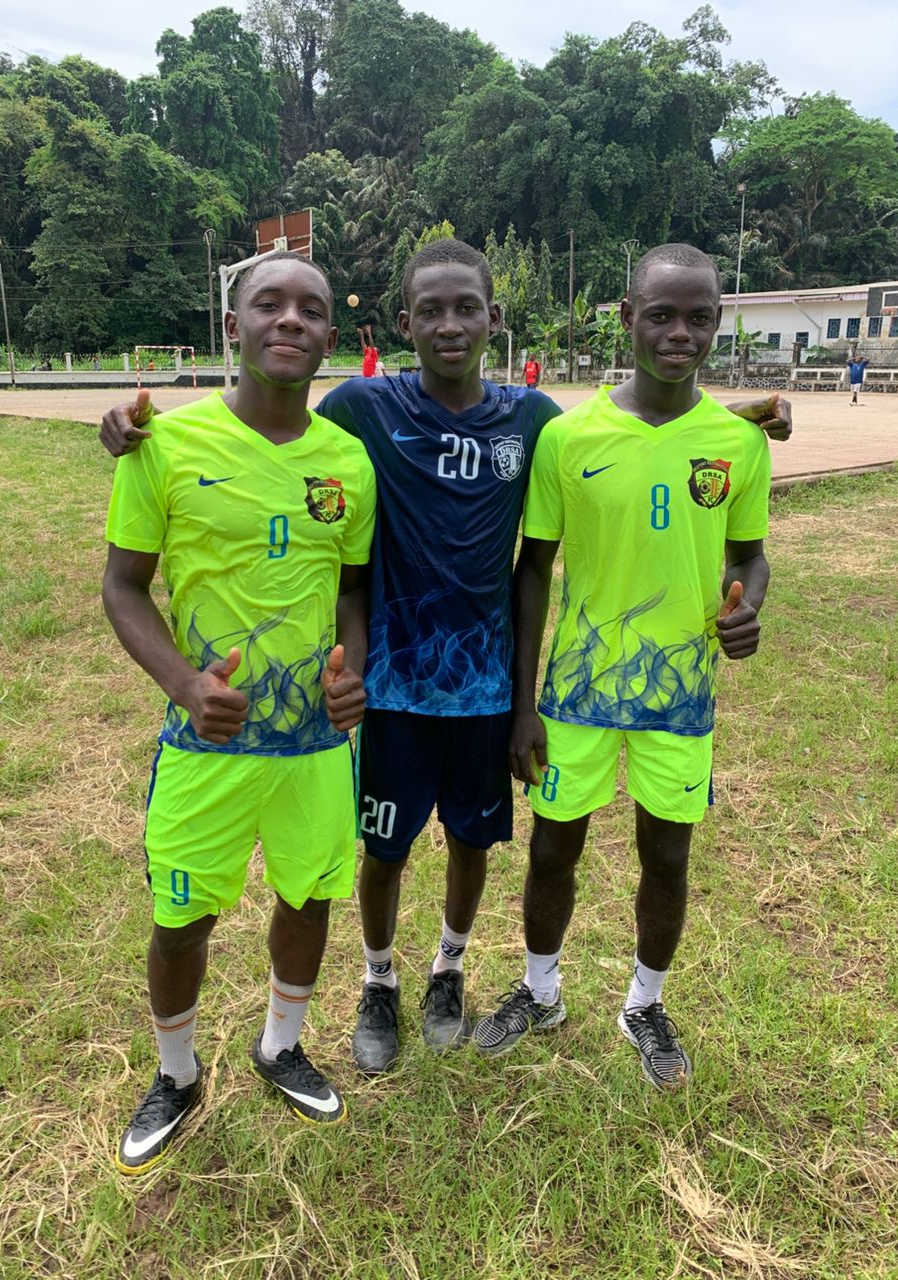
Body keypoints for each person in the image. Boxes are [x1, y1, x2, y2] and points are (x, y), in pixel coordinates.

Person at [99, 238, 793, 1084]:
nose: (451, 325)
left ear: (495, 318)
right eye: (431, 311)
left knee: (473, 845)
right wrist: (132, 424)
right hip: (390, 687)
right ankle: (378, 981)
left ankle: (450, 970)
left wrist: (743, 413)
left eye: (468, 308)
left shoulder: (533, 421)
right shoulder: (365, 406)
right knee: (383, 851)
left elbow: (651, 417)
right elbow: (270, 413)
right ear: (404, 324)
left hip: (486, 688)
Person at [472, 244, 771, 1093]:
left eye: (699, 318)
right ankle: (540, 992)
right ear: (628, 317)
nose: (681, 334)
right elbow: (533, 570)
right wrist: (523, 702)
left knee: (667, 857)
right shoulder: (569, 437)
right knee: (552, 849)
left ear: (718, 323)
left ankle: (645, 1005)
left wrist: (746, 606)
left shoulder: (739, 443)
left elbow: (748, 556)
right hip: (577, 692)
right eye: (662, 315)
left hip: (681, 695)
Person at [102, 251, 376, 1175]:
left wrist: (353, 673)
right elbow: (124, 587)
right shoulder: (164, 445)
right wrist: (186, 686)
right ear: (233, 326)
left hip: (314, 747)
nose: (290, 319)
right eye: (269, 304)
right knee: (182, 919)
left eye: (311, 309)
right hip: (204, 743)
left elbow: (353, 592)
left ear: (330, 337)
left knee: (308, 899)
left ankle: (280, 1046)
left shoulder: (348, 461)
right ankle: (176, 1075)